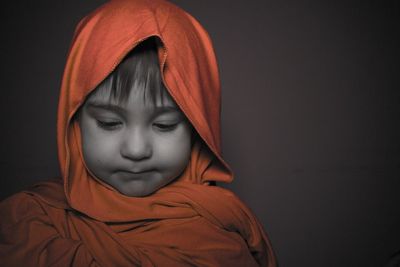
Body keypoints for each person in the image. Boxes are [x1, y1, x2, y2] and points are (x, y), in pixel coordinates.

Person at [0, 0, 277, 266]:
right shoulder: (28, 224)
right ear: (74, 122)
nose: (136, 150)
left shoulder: (224, 235)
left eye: (164, 125)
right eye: (109, 123)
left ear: (199, 129)